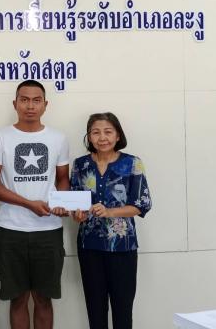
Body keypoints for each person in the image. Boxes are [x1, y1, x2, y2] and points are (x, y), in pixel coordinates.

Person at [0, 80, 70, 329]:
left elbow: (63, 179)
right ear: (15, 103)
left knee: (44, 299)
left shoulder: (58, 138)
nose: (30, 106)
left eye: (36, 100)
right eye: (24, 100)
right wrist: (28, 204)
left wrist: (61, 202)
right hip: (10, 230)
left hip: (49, 231)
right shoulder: (0, 136)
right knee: (18, 299)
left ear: (45, 105)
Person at [70, 112, 152, 329]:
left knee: (122, 311)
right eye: (95, 133)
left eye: (108, 132)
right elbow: (74, 203)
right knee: (95, 311)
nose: (102, 138)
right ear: (89, 137)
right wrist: (77, 214)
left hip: (122, 247)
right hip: (89, 246)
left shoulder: (132, 163)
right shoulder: (80, 165)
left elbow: (141, 204)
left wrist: (109, 212)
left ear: (118, 136)